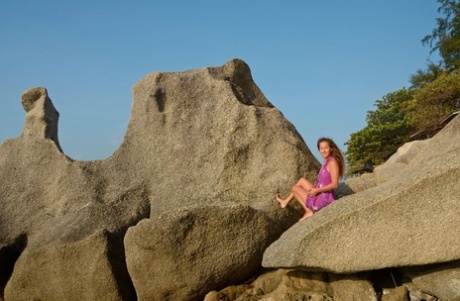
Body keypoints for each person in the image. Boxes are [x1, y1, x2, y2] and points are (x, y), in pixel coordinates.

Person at [276, 137, 345, 221]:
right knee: (301, 181)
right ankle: (286, 201)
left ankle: (309, 211)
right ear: (319, 150)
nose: (323, 150)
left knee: (294, 188)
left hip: (324, 198)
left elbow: (335, 184)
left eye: (326, 148)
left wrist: (317, 190)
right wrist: (315, 189)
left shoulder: (332, 162)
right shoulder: (327, 161)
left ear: (331, 148)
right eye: (321, 148)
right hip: (320, 192)